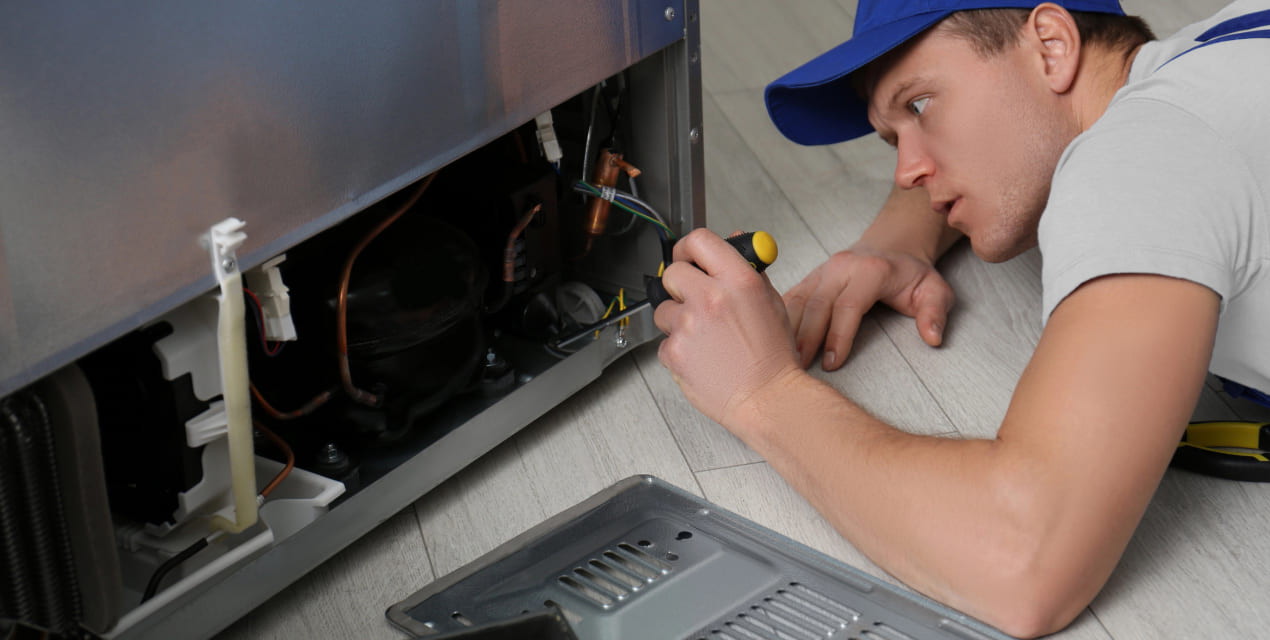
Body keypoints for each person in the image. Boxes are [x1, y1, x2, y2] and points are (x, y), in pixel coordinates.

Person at [652, 0, 1270, 636]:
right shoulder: (1223, 54)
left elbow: (1024, 560)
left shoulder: (1143, 155)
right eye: (892, 137)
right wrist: (899, 237)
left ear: (1052, 46)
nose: (907, 170)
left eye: (919, 105)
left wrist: (761, 391)